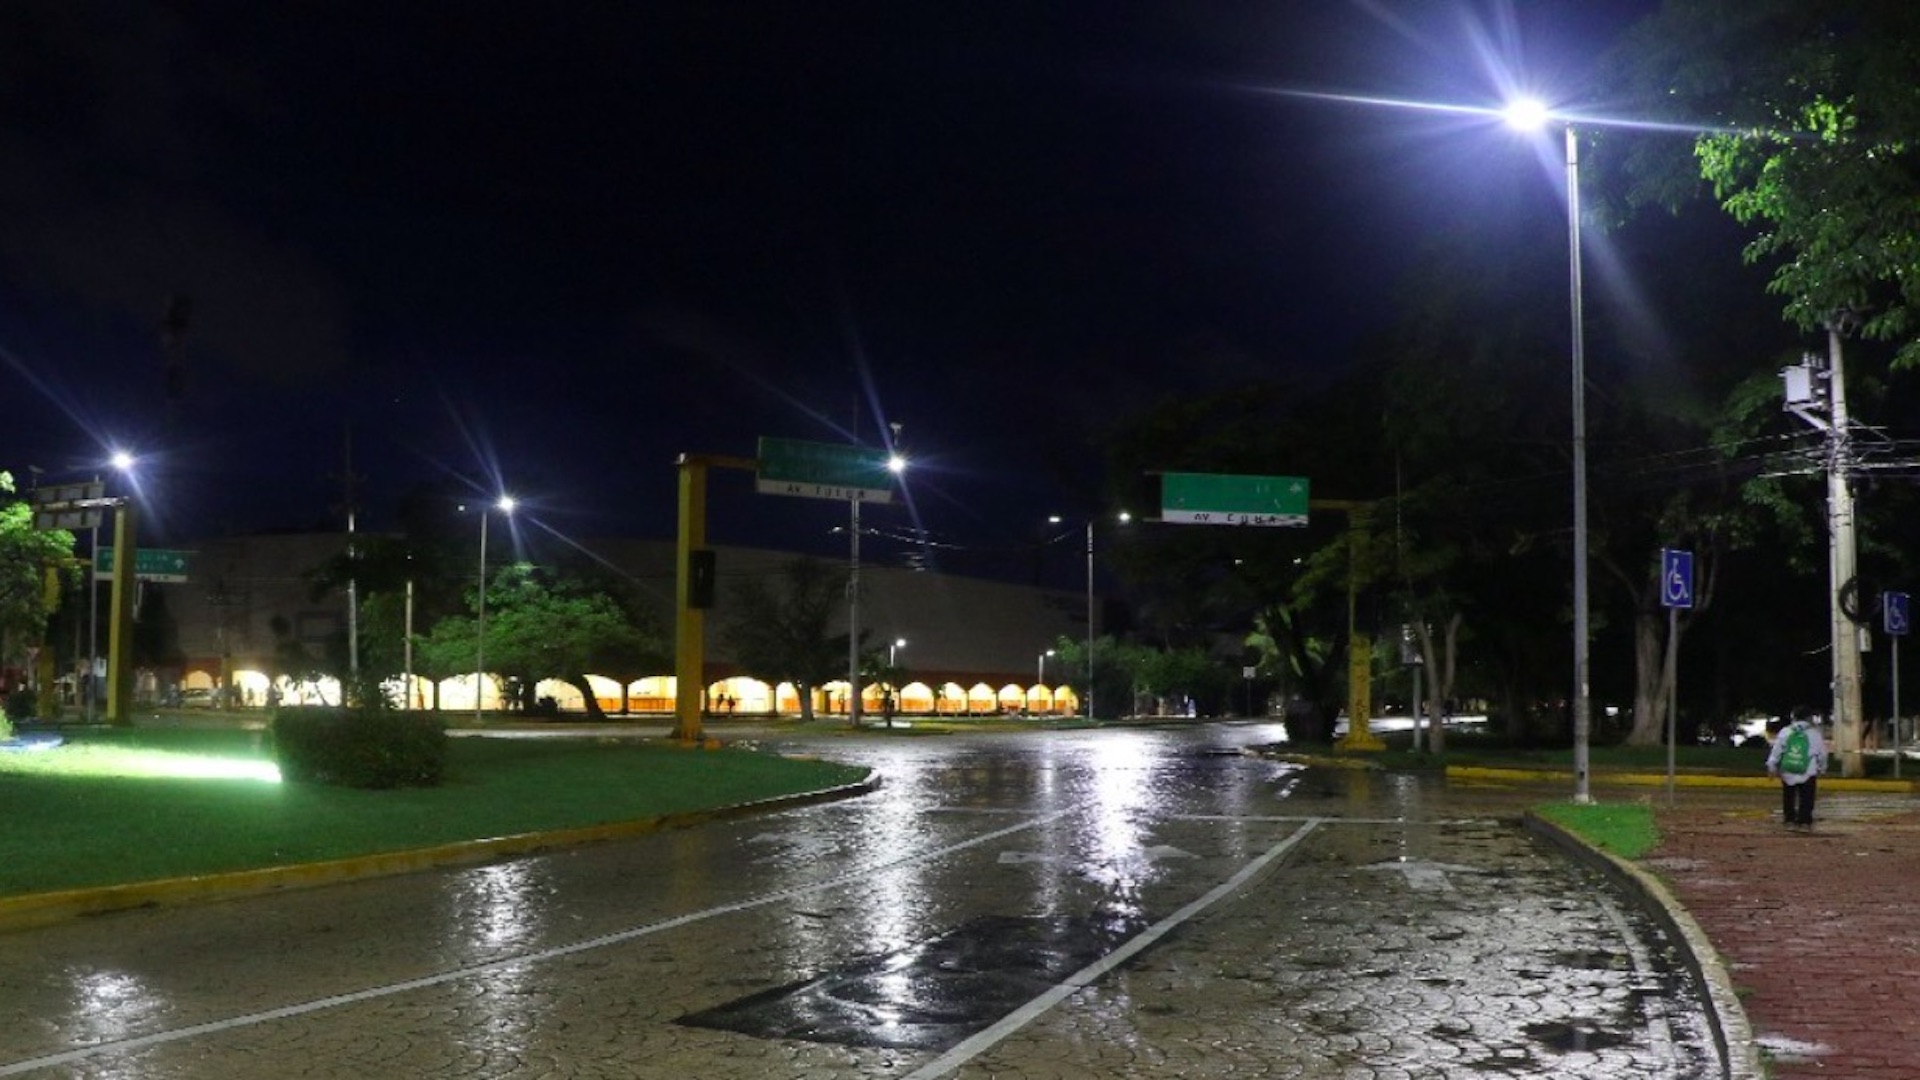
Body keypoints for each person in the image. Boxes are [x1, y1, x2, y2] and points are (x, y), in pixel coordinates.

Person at [1767, 707, 1829, 829]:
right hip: (1808, 770)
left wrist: (1772, 766)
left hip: (1788, 769)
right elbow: (1822, 754)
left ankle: (1789, 820)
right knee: (1807, 797)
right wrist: (1822, 768)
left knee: (1789, 796)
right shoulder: (1814, 733)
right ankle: (1804, 821)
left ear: (1793, 717)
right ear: (1809, 718)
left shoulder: (1786, 731)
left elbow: (1777, 751)